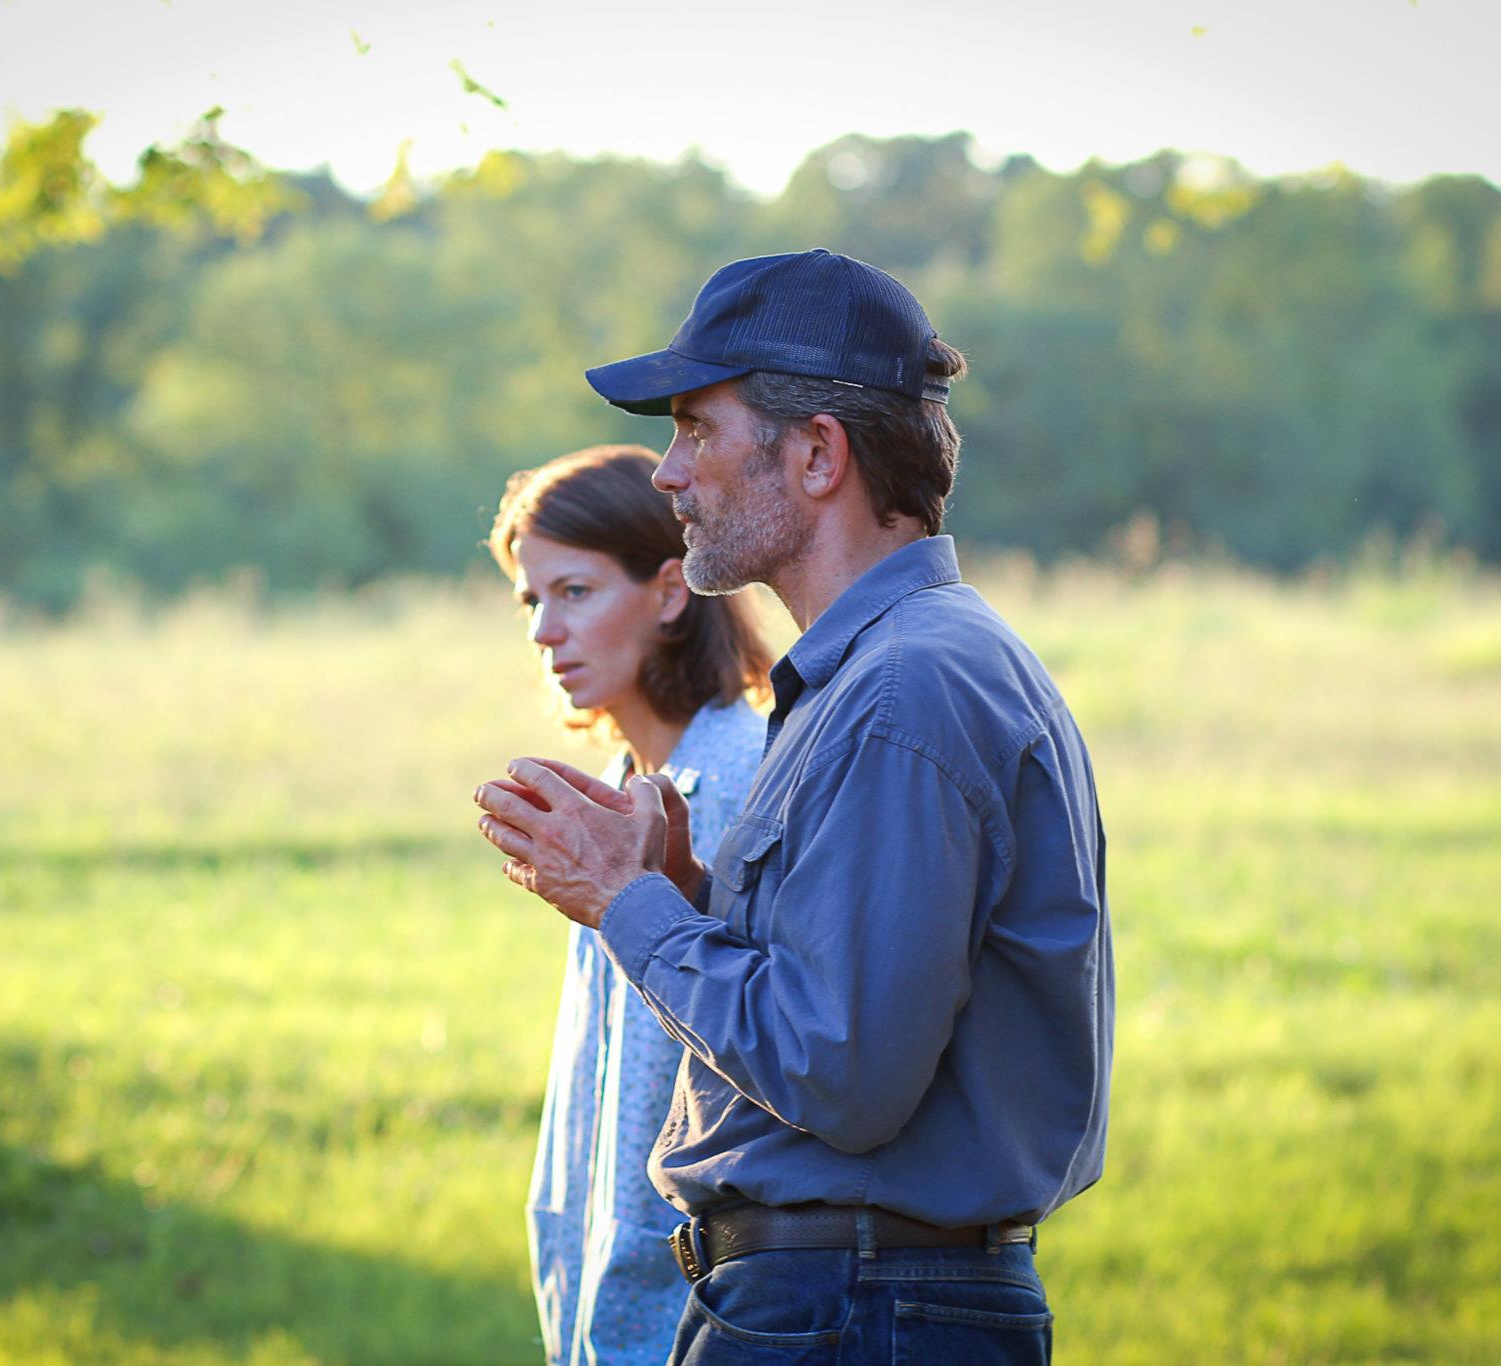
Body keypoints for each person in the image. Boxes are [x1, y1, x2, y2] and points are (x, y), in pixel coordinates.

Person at [473, 250, 1112, 1365]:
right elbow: (856, 993)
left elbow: (839, 1070)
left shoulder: (901, 690)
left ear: (817, 453)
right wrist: (690, 894)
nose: (668, 475)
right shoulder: (882, 672)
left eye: (695, 429)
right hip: (852, 1298)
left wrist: (629, 906)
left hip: (853, 1309)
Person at [487, 445, 772, 1366]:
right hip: (604, 1285)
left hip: (698, 1300)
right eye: (533, 601)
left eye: (573, 592)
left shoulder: (736, 777)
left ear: (670, 591)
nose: (542, 631)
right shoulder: (618, 783)